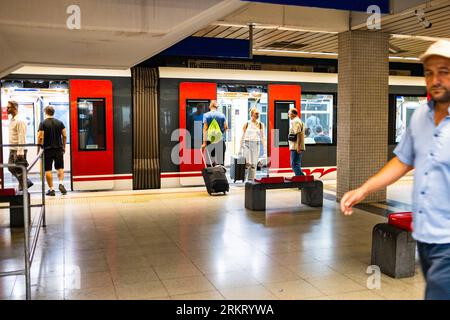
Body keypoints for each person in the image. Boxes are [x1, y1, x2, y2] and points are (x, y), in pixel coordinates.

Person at [340, 40, 450, 300]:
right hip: (425, 236)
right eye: (429, 72)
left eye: (444, 71)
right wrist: (364, 189)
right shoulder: (421, 116)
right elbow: (403, 160)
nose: (435, 79)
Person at [37, 106, 67, 196]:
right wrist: (64, 146)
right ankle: (61, 184)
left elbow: (40, 137)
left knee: (48, 170)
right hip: (58, 149)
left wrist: (38, 149)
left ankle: (51, 189)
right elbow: (65, 135)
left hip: (47, 150)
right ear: (53, 112)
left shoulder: (43, 123)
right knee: (60, 168)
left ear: (45, 112)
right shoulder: (60, 123)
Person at [6, 101, 33, 191]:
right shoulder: (12, 119)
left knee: (19, 169)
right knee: (11, 167)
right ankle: (25, 182)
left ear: (14, 108)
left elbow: (22, 135)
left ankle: (23, 188)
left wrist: (20, 151)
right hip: (12, 148)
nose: (7, 109)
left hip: (18, 149)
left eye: (8, 107)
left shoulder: (20, 120)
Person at [240, 108, 266, 181]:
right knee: (247, 162)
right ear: (251, 114)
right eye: (256, 113)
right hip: (247, 144)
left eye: (258, 114)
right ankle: (244, 178)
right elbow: (242, 135)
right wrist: (240, 148)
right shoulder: (247, 124)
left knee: (254, 164)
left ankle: (251, 180)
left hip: (256, 144)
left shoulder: (261, 125)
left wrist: (264, 149)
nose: (257, 115)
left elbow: (262, 137)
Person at [201, 100, 228, 166]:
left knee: (210, 163)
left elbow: (205, 129)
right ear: (217, 107)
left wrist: (204, 143)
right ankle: (220, 176)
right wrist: (220, 133)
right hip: (220, 141)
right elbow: (226, 127)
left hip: (210, 142)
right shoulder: (222, 115)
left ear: (210, 106)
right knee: (220, 164)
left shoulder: (206, 115)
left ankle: (211, 176)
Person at [288, 109, 305, 176]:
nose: (288, 115)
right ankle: (301, 181)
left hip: (295, 146)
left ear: (293, 114)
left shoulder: (295, 121)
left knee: (294, 164)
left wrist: (298, 147)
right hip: (296, 146)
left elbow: (298, 134)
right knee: (296, 164)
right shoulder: (299, 120)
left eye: (289, 113)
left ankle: (302, 180)